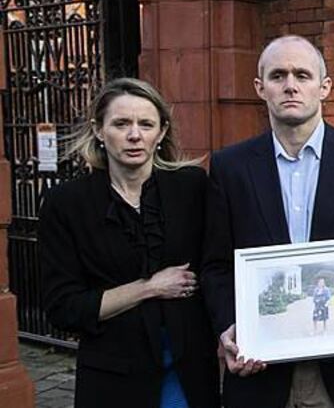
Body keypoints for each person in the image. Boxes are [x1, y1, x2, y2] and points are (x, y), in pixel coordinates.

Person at [201, 34, 334, 408]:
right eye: (278, 76)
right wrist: (229, 327)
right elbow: (216, 264)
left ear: (324, 87)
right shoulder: (230, 167)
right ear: (260, 87)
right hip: (260, 371)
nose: (290, 85)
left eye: (302, 75)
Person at [38, 78, 220, 408]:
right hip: (113, 380)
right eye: (121, 124)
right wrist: (149, 288)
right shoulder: (66, 203)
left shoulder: (192, 188)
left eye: (146, 124)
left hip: (189, 374)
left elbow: (218, 268)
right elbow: (63, 308)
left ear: (161, 132)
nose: (134, 135)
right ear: (98, 130)